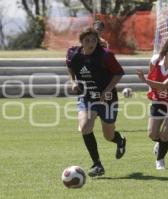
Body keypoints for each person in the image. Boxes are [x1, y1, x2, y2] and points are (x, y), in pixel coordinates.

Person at [66, 27, 126, 177]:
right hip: (86, 97)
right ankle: (97, 164)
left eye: (94, 40)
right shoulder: (73, 55)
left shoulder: (105, 56)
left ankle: (120, 140)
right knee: (85, 127)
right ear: (81, 42)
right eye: (87, 40)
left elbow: (118, 73)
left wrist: (107, 90)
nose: (91, 43)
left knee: (108, 136)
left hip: (107, 100)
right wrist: (73, 82)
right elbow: (70, 68)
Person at [136, 36, 168, 170]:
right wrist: (151, 90)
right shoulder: (155, 60)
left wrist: (144, 81)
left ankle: (160, 160)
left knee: (165, 134)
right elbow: (152, 74)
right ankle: (160, 144)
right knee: (152, 134)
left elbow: (164, 85)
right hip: (159, 100)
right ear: (165, 50)